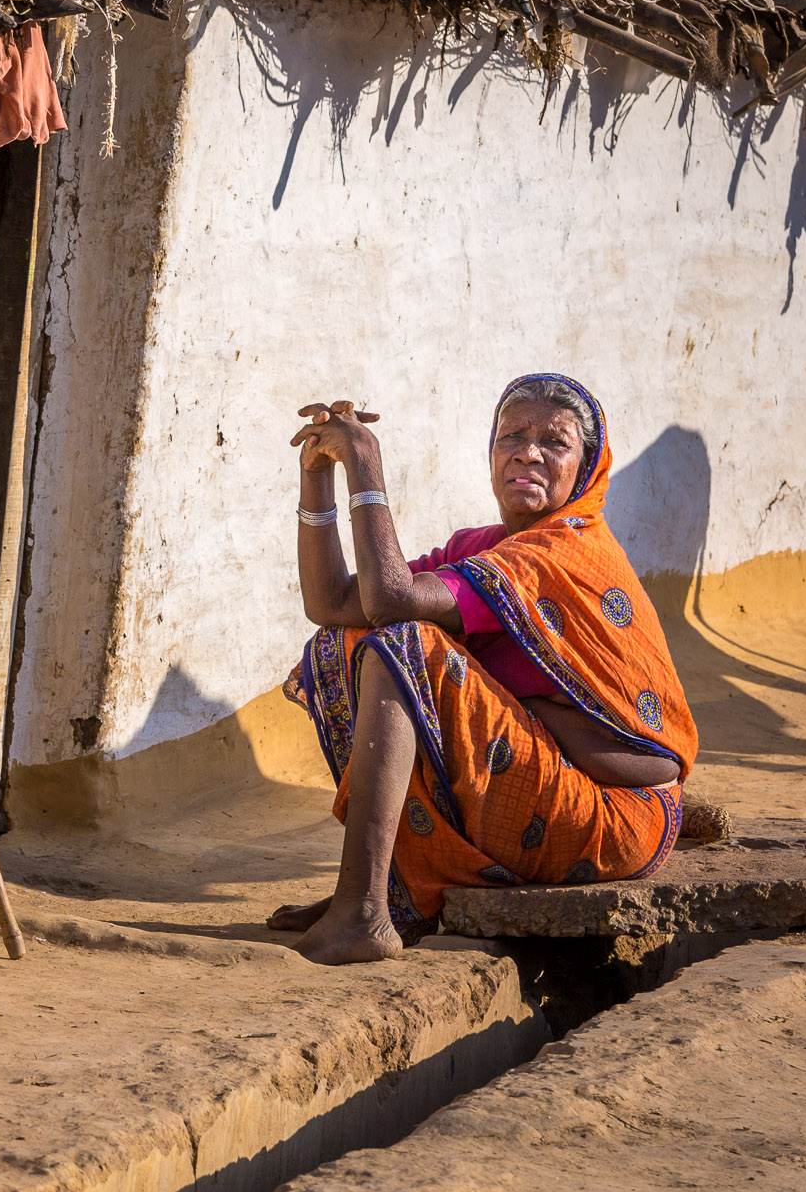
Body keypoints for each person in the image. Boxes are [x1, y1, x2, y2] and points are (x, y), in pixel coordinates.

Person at [274, 374, 694, 964]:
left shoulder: (565, 553)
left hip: (614, 817)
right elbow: (338, 604)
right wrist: (318, 477)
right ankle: (385, 892)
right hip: (546, 784)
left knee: (405, 645)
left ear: (588, 466)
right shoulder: (484, 547)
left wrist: (365, 466)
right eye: (513, 435)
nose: (529, 451)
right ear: (492, 452)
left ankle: (362, 907)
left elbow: (393, 602)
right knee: (340, 645)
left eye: (556, 442)